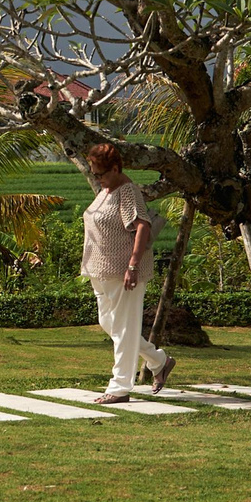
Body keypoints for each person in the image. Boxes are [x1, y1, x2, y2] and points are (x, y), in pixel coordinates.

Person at [83, 140, 175, 401]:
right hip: (100, 270)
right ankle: (159, 360)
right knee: (109, 323)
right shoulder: (106, 190)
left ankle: (120, 387)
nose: (96, 177)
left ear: (115, 168)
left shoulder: (127, 191)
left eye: (100, 173)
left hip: (123, 270)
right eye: (94, 173)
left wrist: (132, 266)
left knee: (124, 328)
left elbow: (142, 226)